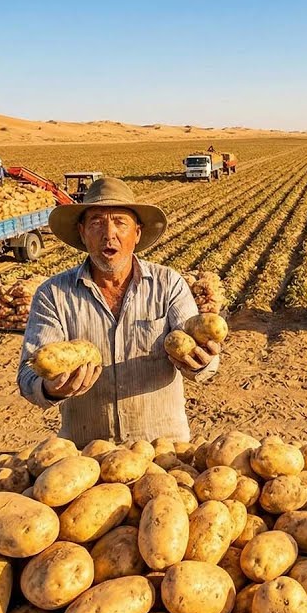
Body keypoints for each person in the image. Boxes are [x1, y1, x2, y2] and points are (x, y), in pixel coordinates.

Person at [17, 177, 221, 444]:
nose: (108, 233)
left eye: (120, 222)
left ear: (136, 233)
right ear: (82, 232)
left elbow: (201, 353)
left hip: (162, 451)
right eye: (97, 222)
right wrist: (50, 389)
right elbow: (27, 374)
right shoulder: (53, 294)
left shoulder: (168, 284)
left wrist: (202, 362)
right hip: (85, 457)